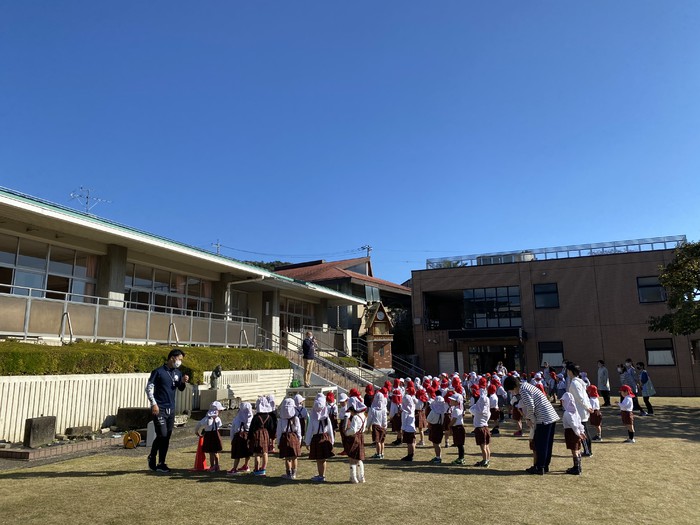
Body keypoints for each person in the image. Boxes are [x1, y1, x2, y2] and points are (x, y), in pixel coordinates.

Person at [503, 374, 560, 475]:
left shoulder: (523, 390)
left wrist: (529, 419)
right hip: (550, 416)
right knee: (547, 444)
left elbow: (530, 406)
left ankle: (540, 467)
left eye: (511, 390)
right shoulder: (526, 385)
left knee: (540, 444)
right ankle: (544, 466)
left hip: (544, 418)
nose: (512, 393)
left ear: (513, 387)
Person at [145, 348, 190, 473]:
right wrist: (154, 404)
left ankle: (161, 463)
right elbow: (148, 388)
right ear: (172, 358)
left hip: (171, 408)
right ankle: (152, 456)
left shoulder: (177, 372)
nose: (180, 362)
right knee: (162, 434)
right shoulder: (158, 372)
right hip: (160, 408)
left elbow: (180, 388)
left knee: (167, 436)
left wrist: (183, 381)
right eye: (179, 359)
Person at [306, 393, 335, 482]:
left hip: (317, 438)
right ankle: (322, 475)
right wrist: (332, 441)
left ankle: (321, 475)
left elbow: (309, 430)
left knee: (319, 459)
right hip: (325, 437)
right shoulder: (326, 418)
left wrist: (307, 442)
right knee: (323, 459)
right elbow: (330, 430)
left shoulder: (313, 418)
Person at [566, 363, 593, 457]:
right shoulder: (579, 381)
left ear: (570, 371)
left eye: (567, 370)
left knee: (583, 431)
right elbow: (584, 396)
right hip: (582, 409)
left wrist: (587, 407)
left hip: (580, 410)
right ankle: (588, 450)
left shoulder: (574, 383)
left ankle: (588, 451)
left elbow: (580, 398)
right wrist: (588, 406)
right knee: (584, 430)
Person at [248, 396, 276, 476]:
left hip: (257, 434)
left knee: (257, 453)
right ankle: (263, 468)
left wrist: (249, 438)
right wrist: (271, 438)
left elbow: (252, 428)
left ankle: (256, 469)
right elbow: (271, 428)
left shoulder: (256, 417)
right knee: (265, 452)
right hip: (266, 434)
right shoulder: (269, 417)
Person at [277, 397, 302, 480]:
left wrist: (278, 442)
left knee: (287, 458)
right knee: (294, 457)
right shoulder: (296, 419)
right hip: (294, 438)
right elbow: (299, 431)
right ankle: (294, 473)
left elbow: (279, 432)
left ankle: (289, 474)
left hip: (285, 438)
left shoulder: (281, 420)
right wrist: (299, 440)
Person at [195, 401, 224, 472]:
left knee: (211, 452)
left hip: (209, 436)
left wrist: (196, 431)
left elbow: (199, 424)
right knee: (216, 451)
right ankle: (217, 465)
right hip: (216, 435)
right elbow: (219, 427)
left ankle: (212, 466)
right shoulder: (218, 419)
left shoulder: (206, 419)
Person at [560, 393, 585, 475]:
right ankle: (578, 466)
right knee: (577, 449)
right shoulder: (575, 412)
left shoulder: (568, 413)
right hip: (575, 432)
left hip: (571, 432)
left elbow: (573, 425)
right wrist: (581, 432)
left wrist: (579, 433)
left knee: (574, 450)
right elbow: (579, 423)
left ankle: (576, 467)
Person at [345, 397, 368, 483]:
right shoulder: (364, 416)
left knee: (352, 457)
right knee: (359, 458)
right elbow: (363, 429)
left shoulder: (355, 417)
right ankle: (361, 477)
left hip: (354, 438)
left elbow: (353, 430)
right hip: (361, 437)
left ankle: (353, 477)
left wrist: (347, 432)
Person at [228, 401, 252, 475]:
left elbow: (232, 430)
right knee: (247, 452)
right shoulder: (251, 419)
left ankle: (235, 468)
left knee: (237, 453)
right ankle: (246, 465)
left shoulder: (237, 419)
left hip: (238, 436)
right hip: (248, 436)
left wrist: (232, 439)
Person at [469, 385, 491, 467]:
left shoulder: (478, 411)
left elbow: (471, 409)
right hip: (486, 427)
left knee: (483, 447)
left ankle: (485, 460)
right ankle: (487, 459)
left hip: (480, 428)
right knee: (487, 446)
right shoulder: (487, 412)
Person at [427, 395, 449, 464]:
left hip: (434, 427)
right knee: (437, 442)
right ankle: (438, 456)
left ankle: (438, 457)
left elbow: (428, 419)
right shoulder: (443, 411)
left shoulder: (433, 411)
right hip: (440, 427)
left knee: (436, 443)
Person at [367, 389, 387, 459]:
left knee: (377, 441)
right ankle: (382, 453)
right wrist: (385, 425)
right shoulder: (384, 409)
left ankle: (378, 454)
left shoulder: (373, 409)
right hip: (382, 426)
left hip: (376, 425)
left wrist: (368, 425)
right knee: (382, 441)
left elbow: (370, 417)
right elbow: (385, 418)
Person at [448, 393, 466, 466]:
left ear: (457, 402)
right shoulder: (456, 409)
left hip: (458, 428)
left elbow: (454, 420)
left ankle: (461, 458)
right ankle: (460, 458)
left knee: (460, 444)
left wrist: (449, 426)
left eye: (452, 400)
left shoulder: (456, 410)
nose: (450, 401)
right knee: (459, 444)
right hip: (457, 428)